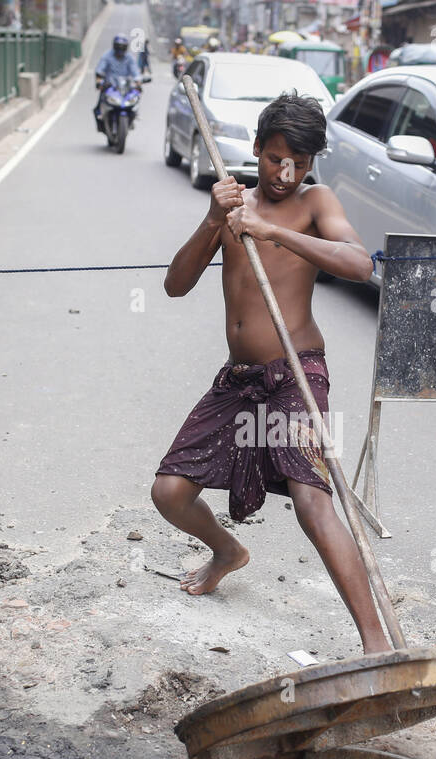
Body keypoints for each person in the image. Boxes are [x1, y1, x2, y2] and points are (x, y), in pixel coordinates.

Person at [151, 93, 389, 655]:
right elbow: (174, 284)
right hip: (238, 379)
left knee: (312, 502)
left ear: (311, 166)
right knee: (168, 492)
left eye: (298, 164)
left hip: (295, 373)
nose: (284, 174)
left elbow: (359, 263)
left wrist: (275, 232)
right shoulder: (232, 205)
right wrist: (216, 220)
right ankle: (227, 551)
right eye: (274, 158)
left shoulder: (314, 203)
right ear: (255, 150)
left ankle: (376, 643)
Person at [93, 34, 141, 133]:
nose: (120, 49)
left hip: (125, 89)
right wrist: (99, 82)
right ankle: (100, 123)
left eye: (122, 47)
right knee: (97, 108)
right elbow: (100, 70)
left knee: (135, 101)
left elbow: (135, 72)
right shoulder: (107, 56)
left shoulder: (129, 58)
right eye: (118, 46)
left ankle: (132, 118)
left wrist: (138, 83)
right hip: (110, 87)